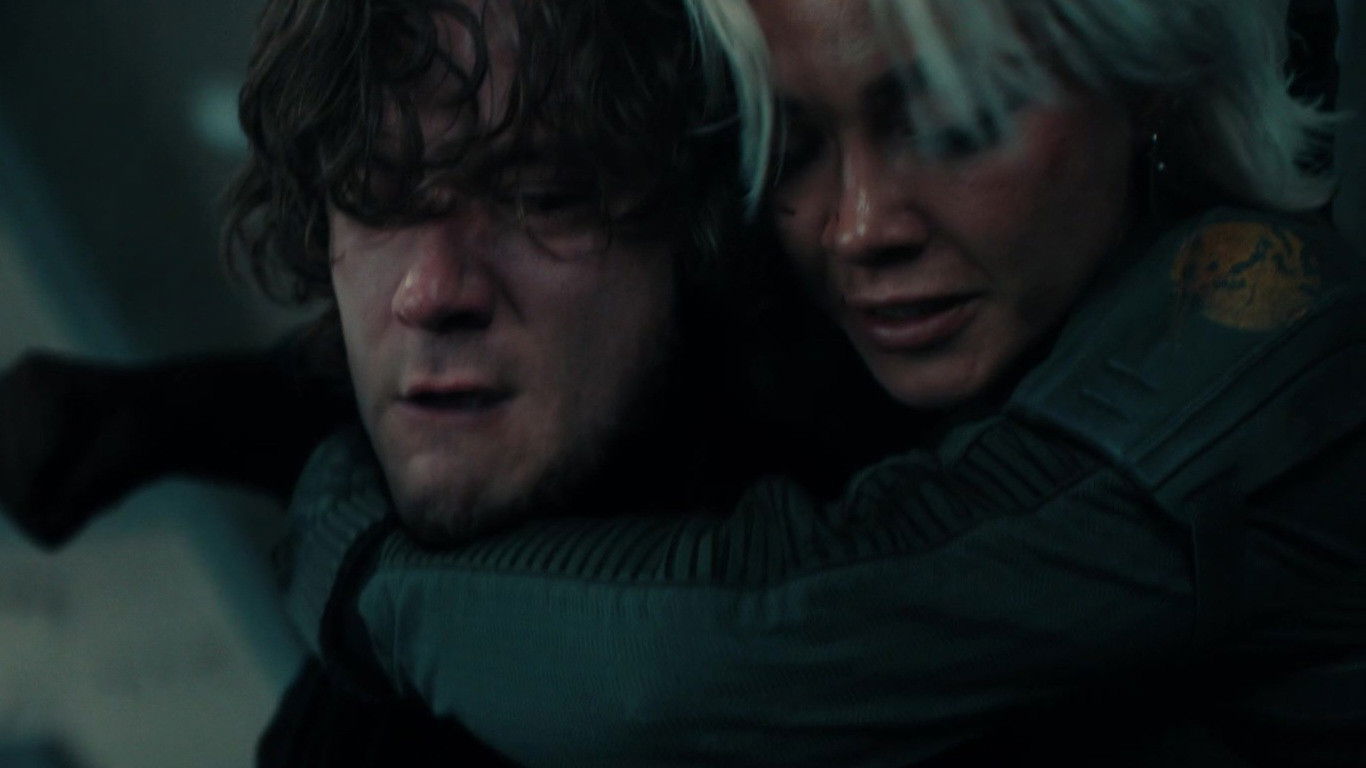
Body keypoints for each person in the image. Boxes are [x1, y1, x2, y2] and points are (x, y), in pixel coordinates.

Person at [278, 0, 1366, 765]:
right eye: (791, 145)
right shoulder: (923, 333)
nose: (858, 227)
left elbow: (735, 647)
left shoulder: (1278, 340)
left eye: (953, 123)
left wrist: (361, 567)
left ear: (1151, 81)